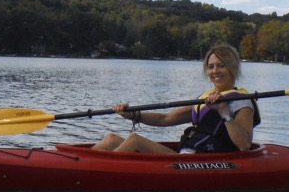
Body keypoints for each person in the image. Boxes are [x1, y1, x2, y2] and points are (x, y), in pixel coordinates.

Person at [92, 44, 259, 153]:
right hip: (184, 155)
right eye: (211, 67)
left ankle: (93, 174)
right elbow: (165, 118)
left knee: (135, 140)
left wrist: (223, 111)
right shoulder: (205, 98)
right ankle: (80, 165)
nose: (215, 71)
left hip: (201, 162)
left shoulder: (241, 102)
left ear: (232, 68)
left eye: (221, 65)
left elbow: (244, 145)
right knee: (111, 139)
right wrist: (133, 115)